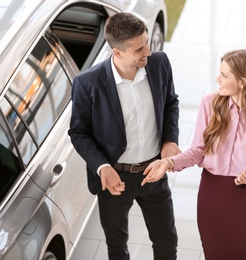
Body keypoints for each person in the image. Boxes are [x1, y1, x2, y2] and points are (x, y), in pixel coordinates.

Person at [142, 49, 246, 260]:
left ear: (243, 82)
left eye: (224, 75)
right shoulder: (209, 104)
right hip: (212, 195)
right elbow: (197, 151)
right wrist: (169, 162)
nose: (217, 79)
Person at [68, 12, 180, 260]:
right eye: (140, 49)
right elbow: (78, 131)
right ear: (118, 53)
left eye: (147, 43)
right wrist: (102, 166)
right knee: (116, 246)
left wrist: (170, 140)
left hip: (154, 173)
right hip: (114, 178)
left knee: (167, 241)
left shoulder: (160, 64)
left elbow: (171, 102)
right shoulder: (87, 83)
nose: (148, 52)